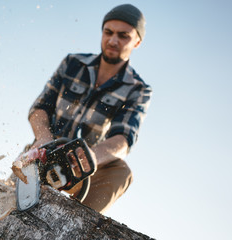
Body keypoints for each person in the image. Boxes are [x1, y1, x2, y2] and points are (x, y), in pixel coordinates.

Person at [27, 4, 152, 213]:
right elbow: (40, 108)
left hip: (86, 168)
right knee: (17, 184)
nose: (113, 41)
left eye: (123, 36)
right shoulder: (73, 63)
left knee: (122, 172)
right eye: (108, 32)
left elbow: (124, 138)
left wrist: (91, 157)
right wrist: (43, 138)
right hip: (46, 150)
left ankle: (75, 223)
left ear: (137, 42)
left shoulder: (138, 89)